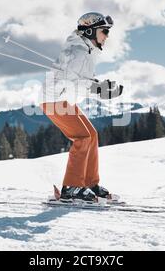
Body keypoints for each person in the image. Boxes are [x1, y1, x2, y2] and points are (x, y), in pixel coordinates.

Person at [40, 12, 115, 202]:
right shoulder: (78, 52)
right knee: (82, 137)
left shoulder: (85, 51)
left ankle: (88, 184)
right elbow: (67, 82)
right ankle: (72, 187)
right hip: (54, 100)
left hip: (61, 100)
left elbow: (78, 82)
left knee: (91, 135)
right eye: (104, 31)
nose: (107, 36)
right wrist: (97, 88)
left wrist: (101, 89)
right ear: (90, 31)